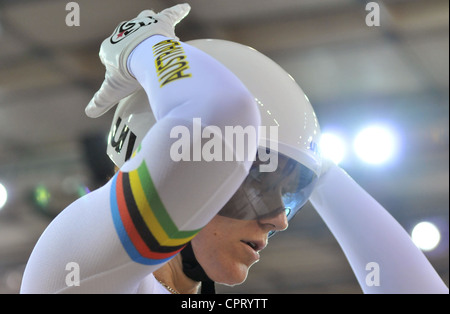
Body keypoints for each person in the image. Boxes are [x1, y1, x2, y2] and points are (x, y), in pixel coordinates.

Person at [20, 4, 448, 294]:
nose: (279, 219)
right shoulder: (71, 265)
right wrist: (144, 46)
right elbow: (219, 115)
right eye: (259, 182)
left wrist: (317, 166)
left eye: (290, 191)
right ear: (155, 152)